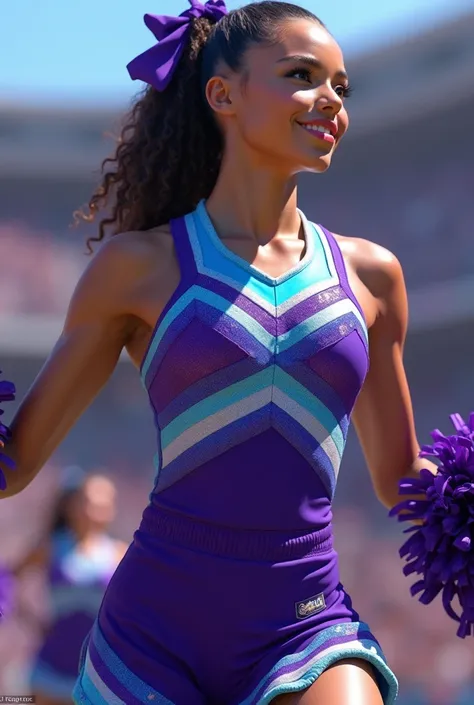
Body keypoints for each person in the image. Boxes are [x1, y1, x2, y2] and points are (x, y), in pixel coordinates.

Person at [0, 1, 440, 702]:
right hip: (150, 635)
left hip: (305, 622)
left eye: (342, 86)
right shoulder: (136, 268)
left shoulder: (373, 277)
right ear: (222, 93)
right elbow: (15, 462)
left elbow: (401, 480)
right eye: (303, 75)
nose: (332, 100)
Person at [10, 468, 125, 705]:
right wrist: (29, 618)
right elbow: (9, 578)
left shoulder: (120, 555)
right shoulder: (52, 547)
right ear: (70, 505)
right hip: (50, 669)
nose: (94, 509)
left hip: (97, 674)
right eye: (87, 501)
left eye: (104, 502)